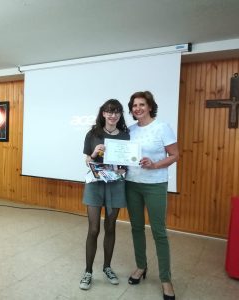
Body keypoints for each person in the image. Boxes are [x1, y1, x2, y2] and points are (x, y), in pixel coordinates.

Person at [125, 91, 178, 300]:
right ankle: (141, 267)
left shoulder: (162, 127)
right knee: (136, 227)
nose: (137, 108)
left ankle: (165, 279)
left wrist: (155, 164)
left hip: (155, 184)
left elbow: (175, 155)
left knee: (159, 232)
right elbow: (125, 156)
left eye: (141, 104)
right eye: (134, 105)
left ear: (149, 106)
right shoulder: (130, 130)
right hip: (131, 184)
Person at [79, 99, 129, 290]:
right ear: (103, 114)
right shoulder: (93, 134)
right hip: (95, 184)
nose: (112, 115)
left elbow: (127, 162)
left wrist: (124, 168)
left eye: (116, 112)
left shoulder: (125, 136)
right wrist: (93, 154)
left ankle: (107, 267)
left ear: (120, 115)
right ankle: (88, 271)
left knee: (110, 227)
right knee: (93, 229)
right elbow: (87, 160)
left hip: (116, 185)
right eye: (109, 111)